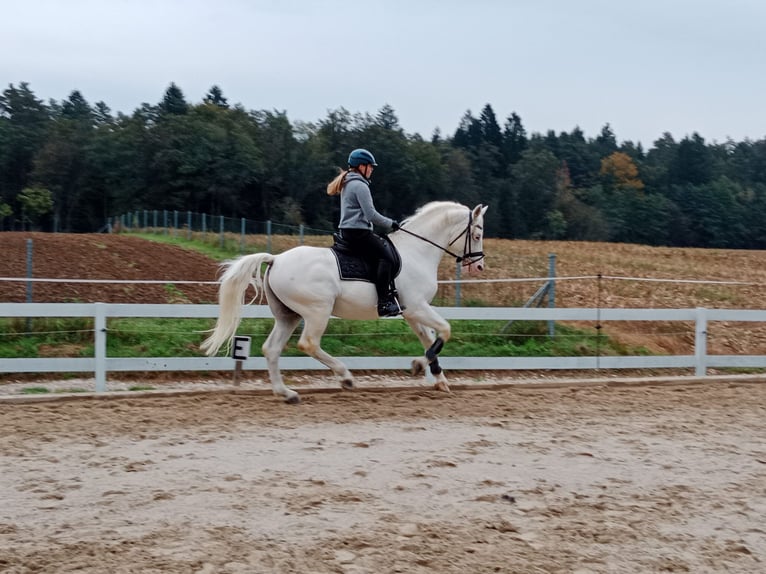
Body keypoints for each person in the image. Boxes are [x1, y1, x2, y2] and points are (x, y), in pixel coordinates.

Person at [327, 148, 403, 317]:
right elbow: (371, 215)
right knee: (387, 257)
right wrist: (392, 224)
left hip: (347, 231)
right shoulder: (360, 185)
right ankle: (384, 302)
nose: (372, 169)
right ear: (361, 166)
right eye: (370, 166)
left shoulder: (348, 182)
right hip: (358, 233)